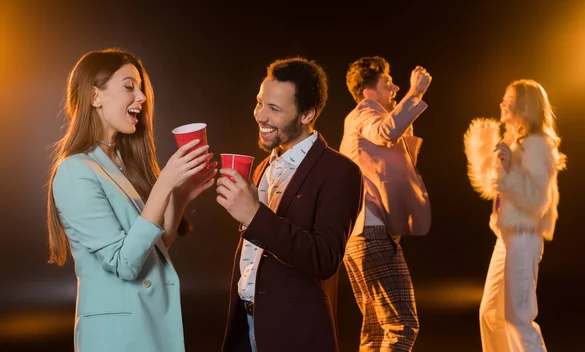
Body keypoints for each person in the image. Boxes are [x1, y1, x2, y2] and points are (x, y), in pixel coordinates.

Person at [47, 48, 217, 352]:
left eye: (140, 88)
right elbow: (124, 264)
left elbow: (151, 247)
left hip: (145, 325)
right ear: (95, 96)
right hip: (117, 336)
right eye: (129, 87)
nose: (141, 97)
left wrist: (180, 194)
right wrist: (164, 184)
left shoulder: (121, 162)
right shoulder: (74, 170)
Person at [217, 57, 364, 352]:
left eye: (274, 109)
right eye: (260, 103)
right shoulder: (262, 168)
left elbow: (324, 259)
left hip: (295, 336)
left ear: (308, 114)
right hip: (246, 329)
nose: (260, 115)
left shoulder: (341, 171)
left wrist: (254, 215)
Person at [464, 79, 566, 352]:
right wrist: (483, 148)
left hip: (524, 236)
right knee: (490, 314)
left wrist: (509, 169)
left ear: (525, 106)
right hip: (506, 238)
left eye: (508, 99)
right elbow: (492, 187)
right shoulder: (515, 142)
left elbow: (537, 198)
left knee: (518, 317)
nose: (502, 103)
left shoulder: (536, 145)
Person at [339, 56, 432, 351]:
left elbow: (396, 154)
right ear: (369, 91)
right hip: (372, 233)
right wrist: (414, 95)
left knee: (376, 330)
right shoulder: (365, 112)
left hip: (359, 236)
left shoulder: (362, 117)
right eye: (387, 82)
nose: (395, 87)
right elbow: (385, 132)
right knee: (402, 327)